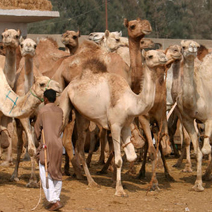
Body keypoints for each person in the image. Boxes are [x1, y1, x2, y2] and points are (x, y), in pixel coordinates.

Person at [34, 89, 64, 211]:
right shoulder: (60, 111)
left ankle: (53, 200)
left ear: (45, 99)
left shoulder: (43, 111)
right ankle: (55, 198)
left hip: (47, 144)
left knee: (45, 171)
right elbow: (61, 127)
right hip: (58, 144)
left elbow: (37, 130)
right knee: (56, 171)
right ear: (55, 99)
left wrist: (38, 138)